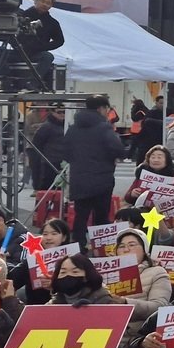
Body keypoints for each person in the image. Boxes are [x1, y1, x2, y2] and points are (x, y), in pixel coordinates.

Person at [66, 95, 125, 249]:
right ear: (101, 108)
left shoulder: (74, 128)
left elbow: (65, 152)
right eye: (108, 109)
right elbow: (118, 149)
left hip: (79, 179)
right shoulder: (103, 127)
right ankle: (101, 249)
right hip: (101, 179)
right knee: (101, 216)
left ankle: (78, 248)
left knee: (81, 216)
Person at [17, 0, 64, 89]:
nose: (45, 4)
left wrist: (43, 46)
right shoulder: (21, 16)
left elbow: (60, 40)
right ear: (35, 1)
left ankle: (33, 82)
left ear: (51, 6)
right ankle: (4, 81)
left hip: (36, 54)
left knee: (48, 56)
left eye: (48, 3)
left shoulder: (52, 22)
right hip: (18, 52)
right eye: (42, 1)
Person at [29, 105, 65, 191]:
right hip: (49, 164)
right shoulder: (46, 127)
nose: (62, 114)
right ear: (52, 112)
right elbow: (36, 147)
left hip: (62, 163)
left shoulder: (66, 126)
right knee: (46, 191)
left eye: (64, 112)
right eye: (59, 112)